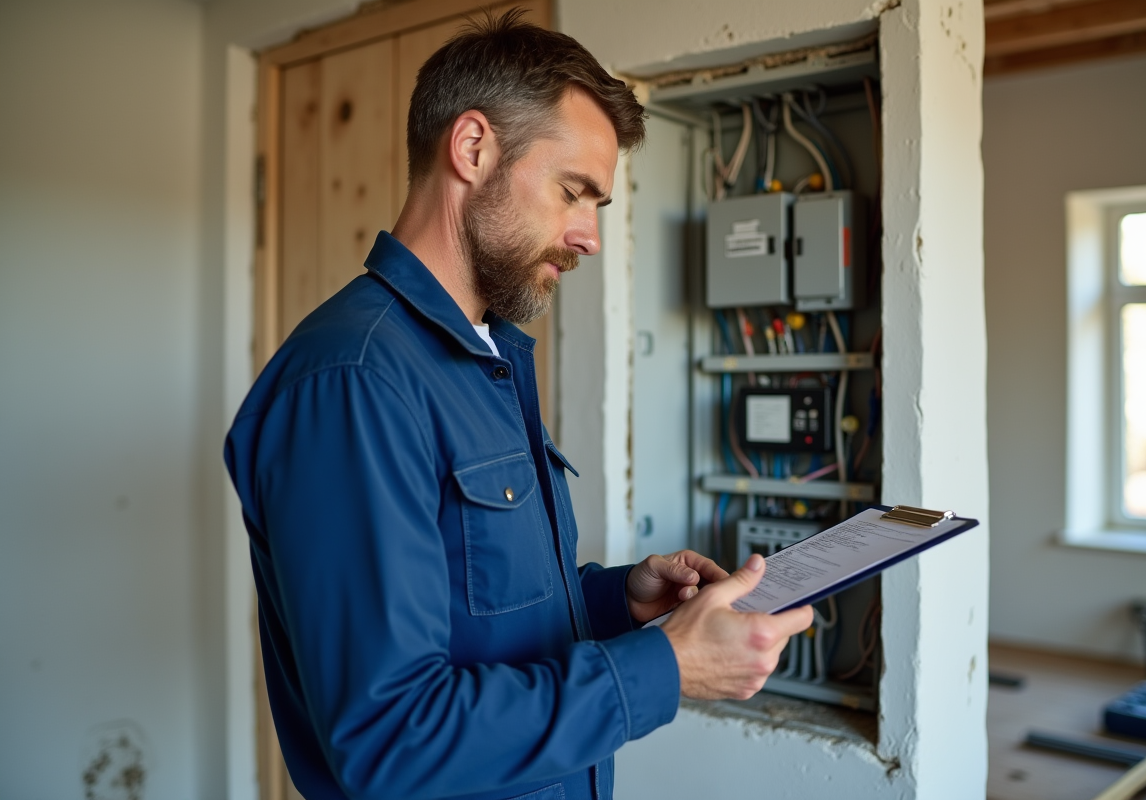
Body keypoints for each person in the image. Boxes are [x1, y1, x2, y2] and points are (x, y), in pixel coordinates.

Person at [224, 11, 814, 800]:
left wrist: (616, 600)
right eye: (574, 192)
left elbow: (480, 615)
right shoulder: (355, 380)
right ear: (472, 149)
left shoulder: (485, 357)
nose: (589, 236)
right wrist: (667, 666)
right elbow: (390, 741)